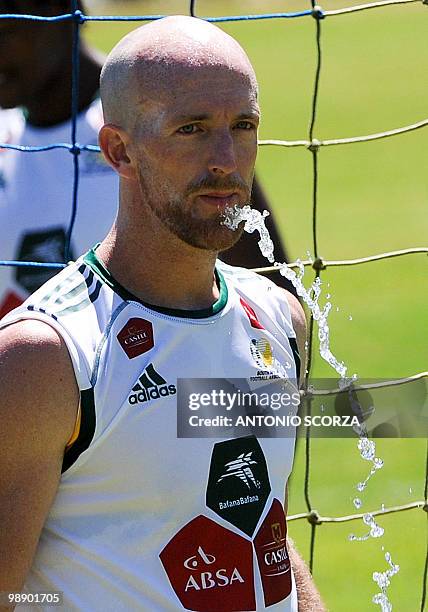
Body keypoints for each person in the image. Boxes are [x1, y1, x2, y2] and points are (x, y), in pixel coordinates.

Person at [0, 15, 325, 612]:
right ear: (119, 149)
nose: (226, 159)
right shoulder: (43, 360)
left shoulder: (280, 321)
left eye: (243, 126)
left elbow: (261, 533)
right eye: (192, 130)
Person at [0, 0, 294, 319]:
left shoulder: (170, 123)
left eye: (6, 31)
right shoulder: (6, 133)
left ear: (65, 10)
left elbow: (270, 318)